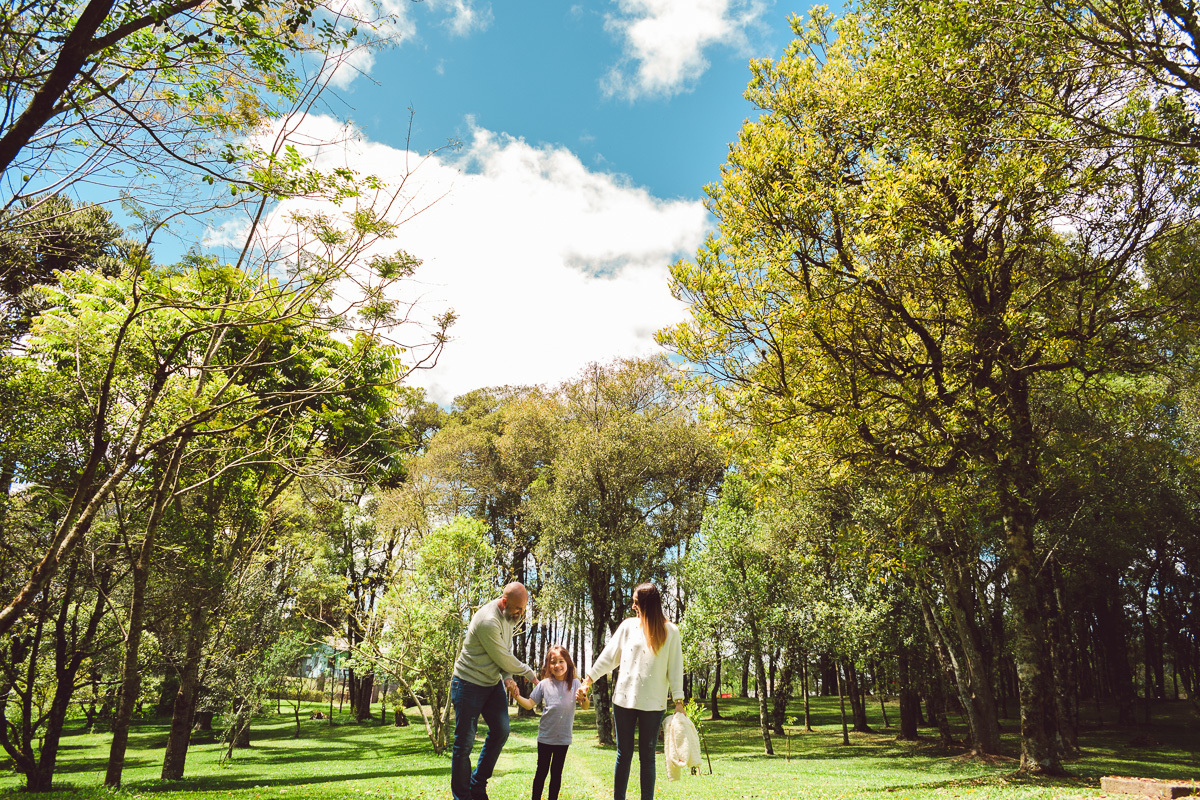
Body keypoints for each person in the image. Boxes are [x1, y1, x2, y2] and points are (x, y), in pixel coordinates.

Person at [578, 583, 684, 800]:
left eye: (636, 602)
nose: (633, 606)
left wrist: (679, 701)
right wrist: (588, 680)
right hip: (623, 701)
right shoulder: (628, 626)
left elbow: (675, 667)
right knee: (623, 754)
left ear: (647, 604)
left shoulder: (671, 632)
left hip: (653, 704)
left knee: (648, 757)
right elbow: (609, 657)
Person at [451, 582, 539, 800]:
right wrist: (530, 674)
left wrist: (507, 677)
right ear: (505, 601)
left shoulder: (508, 617)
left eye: (523, 609)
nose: (520, 613)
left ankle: (477, 785)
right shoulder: (488, 621)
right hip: (468, 684)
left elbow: (502, 653)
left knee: (501, 730)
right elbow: (504, 657)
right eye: (518, 608)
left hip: (491, 684)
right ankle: (462, 797)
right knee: (464, 744)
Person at [514, 644, 589, 800]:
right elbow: (529, 704)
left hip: (563, 738)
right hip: (545, 737)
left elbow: (585, 706)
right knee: (541, 772)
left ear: (568, 663)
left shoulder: (575, 683)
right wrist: (516, 696)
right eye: (553, 662)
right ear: (548, 665)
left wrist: (584, 697)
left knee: (556, 773)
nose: (557, 665)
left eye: (561, 661)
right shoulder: (544, 684)